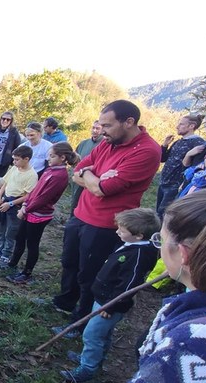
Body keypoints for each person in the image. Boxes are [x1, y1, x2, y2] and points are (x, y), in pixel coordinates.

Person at [72, 188, 206, 383]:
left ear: (184, 254)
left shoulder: (195, 349)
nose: (158, 247)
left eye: (161, 239)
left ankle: (88, 366)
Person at [52, 100, 161, 335]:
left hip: (105, 223)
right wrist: (94, 176)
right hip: (80, 214)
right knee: (69, 261)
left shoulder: (147, 151)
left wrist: (92, 178)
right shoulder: (108, 142)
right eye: (101, 125)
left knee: (89, 273)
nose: (102, 131)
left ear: (129, 122)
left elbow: (104, 190)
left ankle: (80, 321)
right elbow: (78, 170)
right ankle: (65, 301)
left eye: (108, 125)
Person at [58, 207, 160, 383]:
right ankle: (94, 360)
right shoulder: (131, 246)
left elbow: (129, 285)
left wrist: (112, 306)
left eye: (122, 229)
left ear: (139, 235)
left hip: (110, 304)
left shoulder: (138, 256)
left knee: (92, 334)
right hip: (104, 299)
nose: (117, 231)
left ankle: (87, 369)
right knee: (102, 334)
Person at [5, 143, 80, 283]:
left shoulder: (60, 175)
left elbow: (43, 198)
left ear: (62, 157)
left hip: (39, 215)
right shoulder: (50, 170)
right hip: (29, 210)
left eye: (52, 156)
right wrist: (25, 205)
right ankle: (12, 264)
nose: (48, 159)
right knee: (20, 238)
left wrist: (25, 209)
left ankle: (27, 273)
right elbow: (36, 190)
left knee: (32, 243)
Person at [0, 146, 37, 269]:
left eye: (17, 159)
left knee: (11, 231)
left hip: (15, 205)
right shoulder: (14, 169)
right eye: (14, 159)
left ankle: (6, 254)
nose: (14, 162)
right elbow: (6, 182)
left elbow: (28, 196)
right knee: (1, 228)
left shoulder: (32, 175)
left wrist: (10, 204)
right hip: (5, 200)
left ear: (26, 159)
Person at [156, 114, 206, 218]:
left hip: (176, 184)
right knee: (158, 212)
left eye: (181, 124)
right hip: (164, 182)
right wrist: (165, 145)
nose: (177, 126)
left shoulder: (197, 142)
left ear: (192, 126)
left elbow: (196, 166)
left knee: (164, 214)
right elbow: (163, 159)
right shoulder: (178, 142)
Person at [69, 121, 103, 217]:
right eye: (93, 128)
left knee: (83, 201)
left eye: (98, 128)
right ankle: (71, 219)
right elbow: (75, 157)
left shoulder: (104, 145)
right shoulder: (84, 143)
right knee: (74, 199)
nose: (95, 131)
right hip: (77, 175)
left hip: (91, 178)